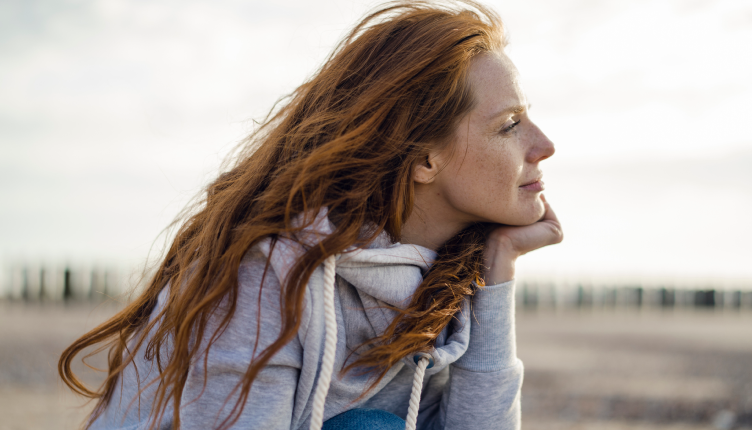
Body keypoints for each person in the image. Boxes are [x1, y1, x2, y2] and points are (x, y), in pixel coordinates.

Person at [59, 1, 562, 429]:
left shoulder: (449, 271)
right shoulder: (268, 271)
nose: (544, 145)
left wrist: (499, 271)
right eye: (510, 125)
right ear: (424, 159)